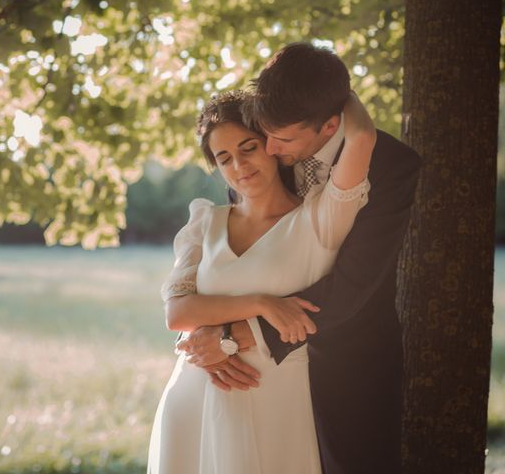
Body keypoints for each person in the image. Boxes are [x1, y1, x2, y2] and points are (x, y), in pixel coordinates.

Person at [177, 42, 422, 474]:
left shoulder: (392, 166)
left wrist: (237, 334)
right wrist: (205, 340)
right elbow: (236, 256)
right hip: (256, 376)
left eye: (283, 139)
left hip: (346, 364)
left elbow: (353, 285)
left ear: (331, 125)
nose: (267, 150)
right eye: (261, 136)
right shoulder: (263, 140)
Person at [147, 88, 376, 473]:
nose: (239, 165)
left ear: (270, 144)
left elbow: (363, 137)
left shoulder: (320, 219)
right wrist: (265, 303)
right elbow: (178, 313)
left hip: (277, 400)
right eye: (224, 158)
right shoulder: (205, 222)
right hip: (196, 396)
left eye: (248, 147)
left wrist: (335, 86)